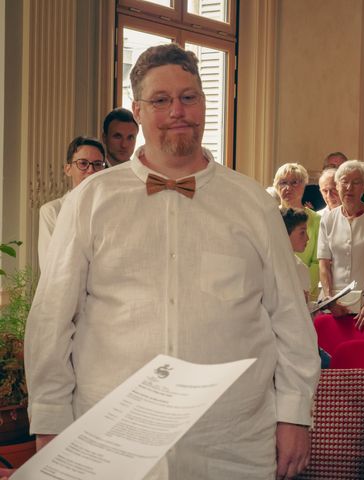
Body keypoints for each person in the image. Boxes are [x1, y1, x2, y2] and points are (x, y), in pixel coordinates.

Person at [25, 43, 320, 480]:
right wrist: (50, 422)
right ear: (137, 111)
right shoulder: (92, 199)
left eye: (189, 97)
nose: (177, 110)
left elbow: (289, 319)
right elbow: (52, 318)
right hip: (111, 439)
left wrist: (295, 414)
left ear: (204, 102)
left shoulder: (252, 203)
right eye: (161, 100)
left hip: (232, 440)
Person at [315, 160, 364, 350]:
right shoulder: (328, 218)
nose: (349, 188)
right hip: (333, 303)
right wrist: (330, 299)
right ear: (337, 185)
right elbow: (324, 263)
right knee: (330, 356)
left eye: (356, 182)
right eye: (344, 181)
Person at [38, 136, 107, 269]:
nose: (91, 170)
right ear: (68, 169)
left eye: (98, 164)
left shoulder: (111, 210)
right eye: (83, 163)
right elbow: (49, 265)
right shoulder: (52, 211)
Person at [273, 163, 321, 300]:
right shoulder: (270, 217)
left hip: (306, 291)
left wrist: (302, 288)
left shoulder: (317, 220)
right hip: (276, 288)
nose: (288, 188)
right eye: (283, 183)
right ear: (276, 186)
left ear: (304, 185)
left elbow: (317, 261)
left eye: (294, 182)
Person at [280, 207, 311, 302]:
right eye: (302, 232)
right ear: (284, 233)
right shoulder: (270, 265)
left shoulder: (301, 267)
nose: (307, 238)